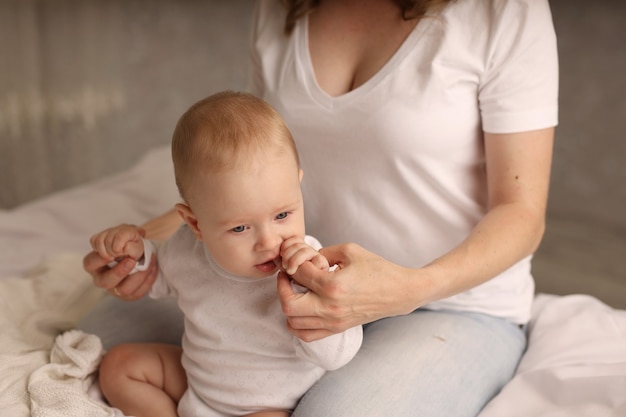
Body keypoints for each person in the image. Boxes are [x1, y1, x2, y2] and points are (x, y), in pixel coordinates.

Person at [82, 0, 559, 416]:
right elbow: (243, 172)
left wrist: (410, 288)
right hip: (299, 283)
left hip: (447, 302)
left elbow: (522, 211)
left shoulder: (503, 11)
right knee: (95, 344)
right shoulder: (281, 9)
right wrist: (135, 249)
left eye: (283, 219)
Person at [87, 91, 363, 417]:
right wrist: (134, 254)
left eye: (282, 215)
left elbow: (337, 356)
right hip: (198, 388)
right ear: (195, 224)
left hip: (269, 406)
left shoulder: (311, 266)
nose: (268, 241)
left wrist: (308, 294)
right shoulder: (185, 249)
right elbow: (158, 278)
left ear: (297, 188)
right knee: (119, 365)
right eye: (239, 229)